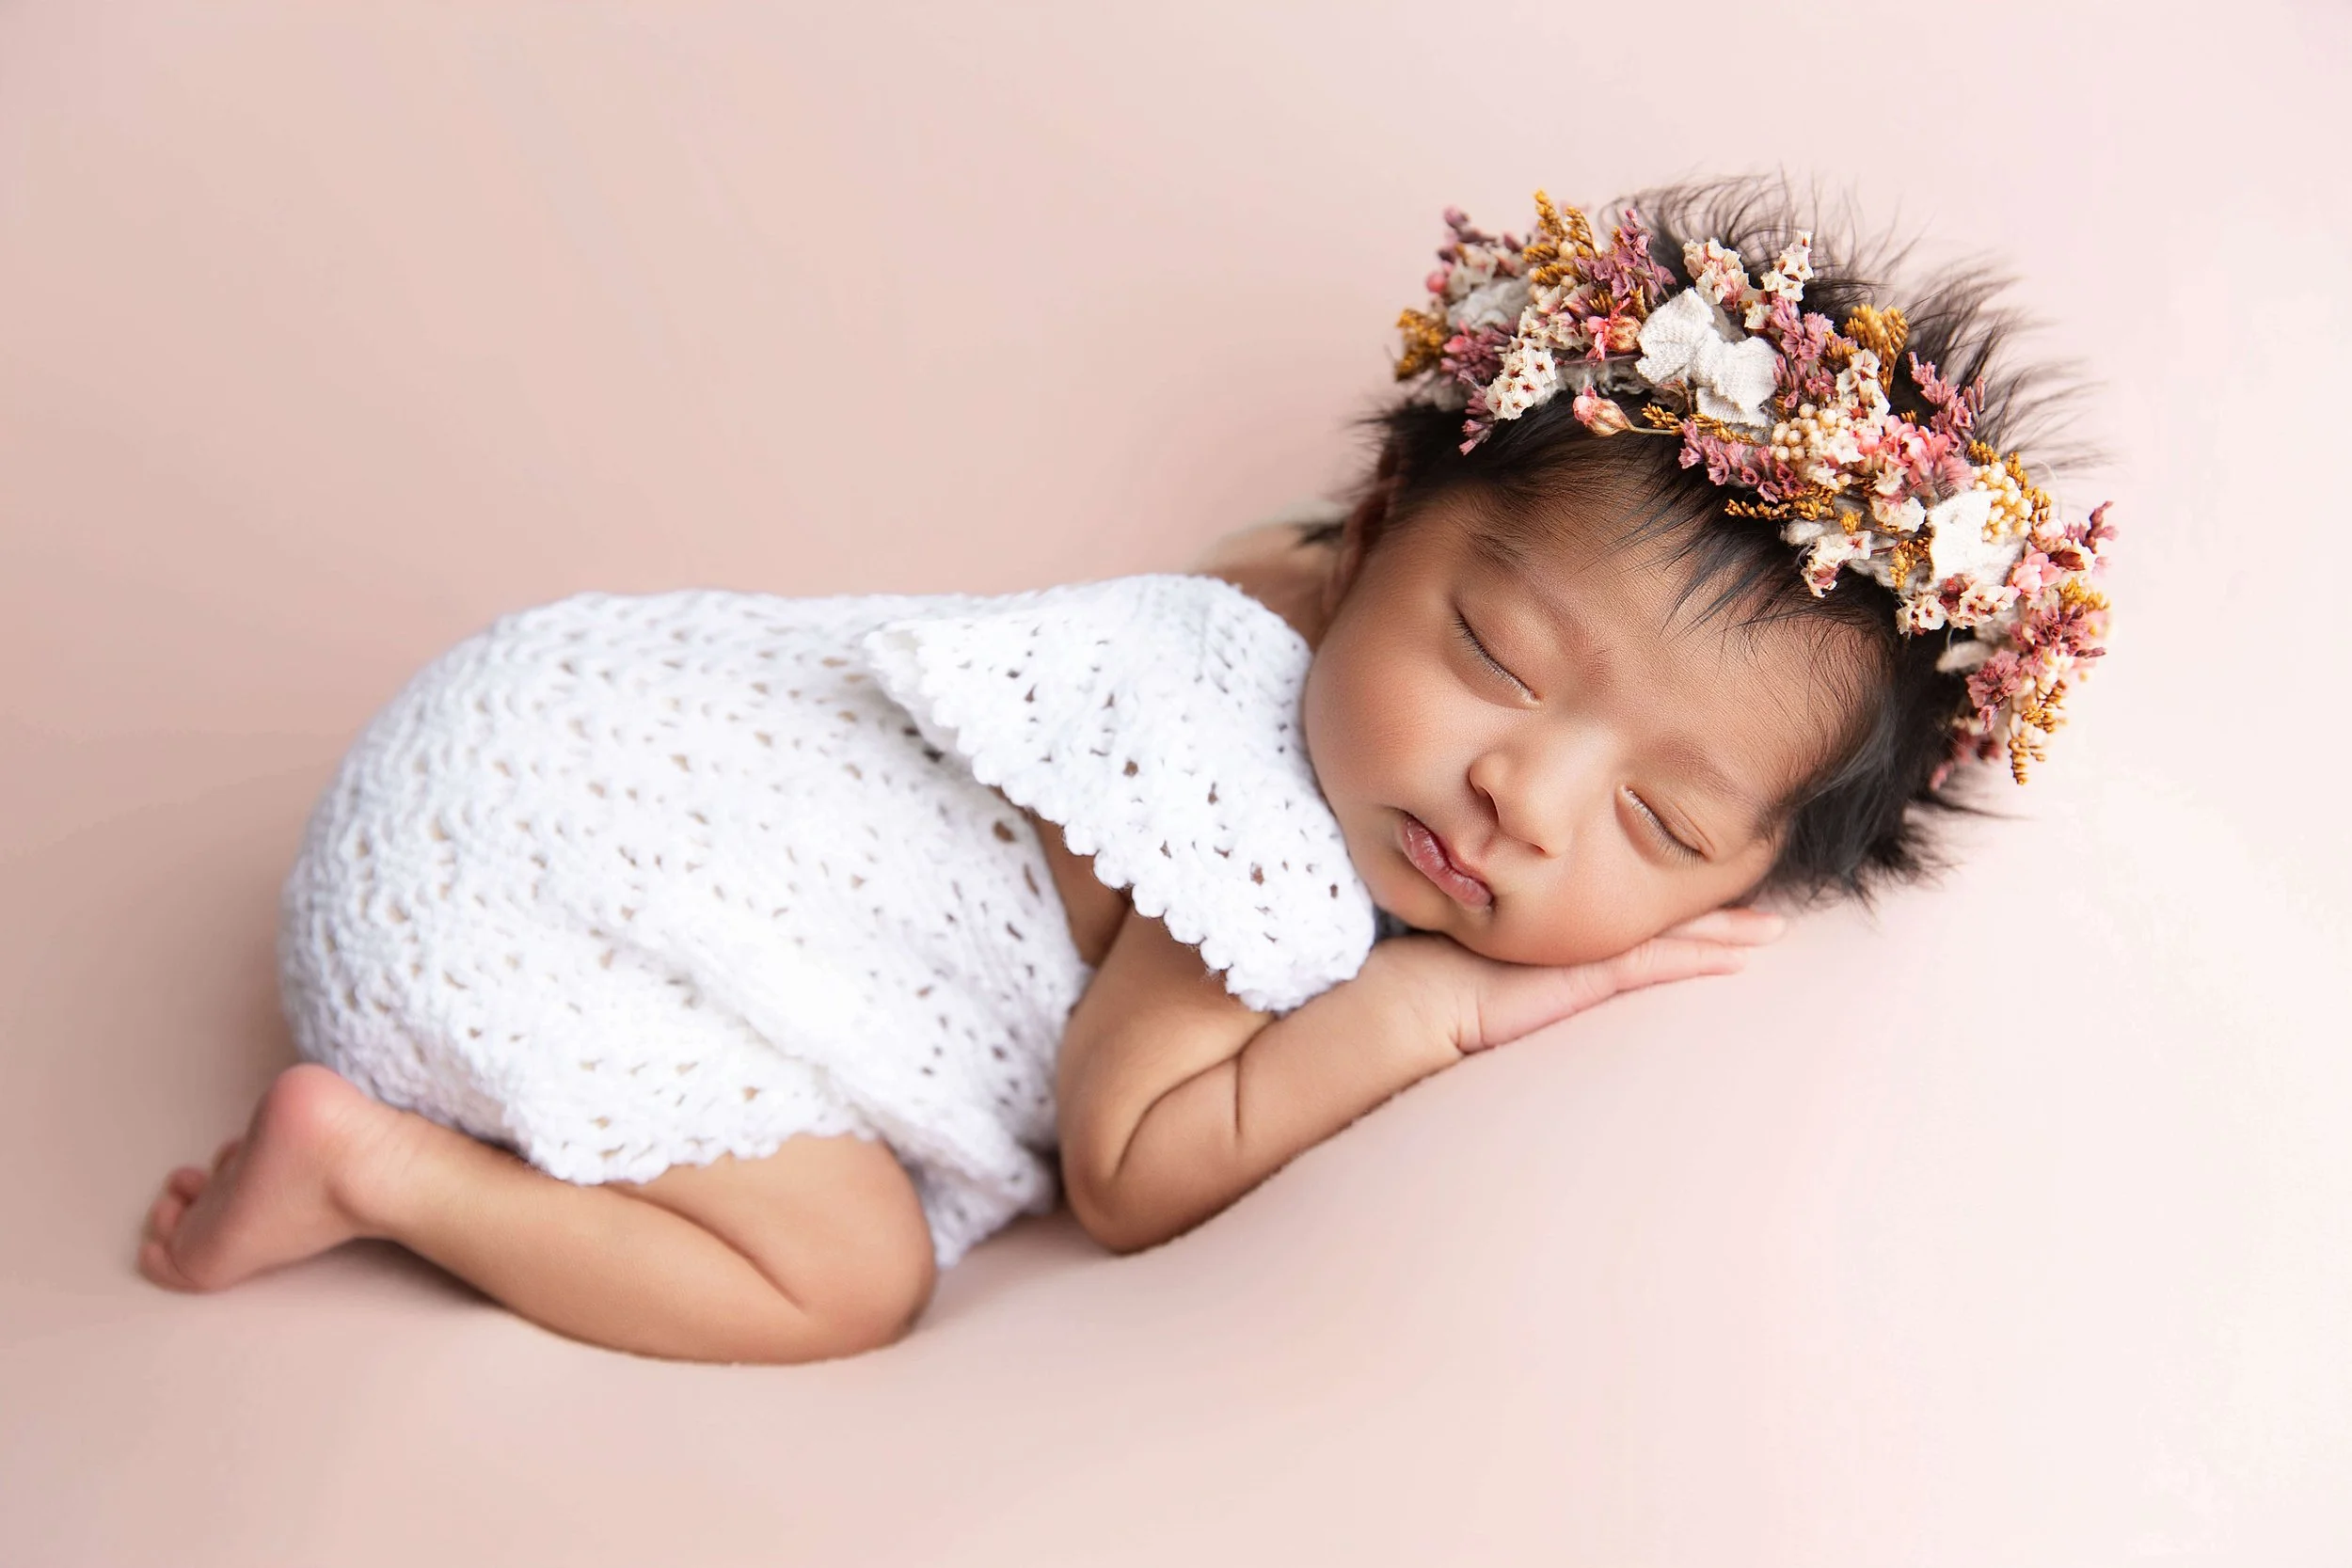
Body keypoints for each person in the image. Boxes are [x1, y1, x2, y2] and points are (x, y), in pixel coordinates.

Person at [135, 177, 2116, 1363]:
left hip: (535, 714)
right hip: (530, 905)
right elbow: (1131, 1157)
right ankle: (371, 1164)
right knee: (844, 1279)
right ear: (1373, 524)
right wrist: (1417, 1010)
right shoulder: (1254, 837)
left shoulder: (1263, 595)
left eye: (1657, 821)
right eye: (1496, 656)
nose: (1518, 793)